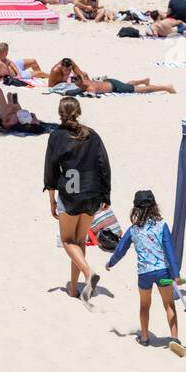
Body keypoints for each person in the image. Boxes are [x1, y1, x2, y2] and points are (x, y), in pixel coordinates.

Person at [43, 97, 111, 307]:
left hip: (70, 195)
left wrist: (52, 200)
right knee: (79, 241)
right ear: (78, 111)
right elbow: (104, 165)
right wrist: (106, 194)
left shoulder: (57, 136)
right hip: (92, 193)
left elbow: (51, 170)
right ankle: (73, 288)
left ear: (60, 113)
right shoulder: (91, 134)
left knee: (67, 241)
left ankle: (88, 272)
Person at [105, 190, 186, 353]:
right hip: (162, 271)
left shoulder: (133, 230)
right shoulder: (162, 225)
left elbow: (121, 249)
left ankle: (144, 337)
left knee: (144, 305)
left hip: (144, 274)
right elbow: (170, 251)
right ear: (154, 206)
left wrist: (111, 262)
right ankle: (174, 338)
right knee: (169, 304)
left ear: (135, 208)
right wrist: (176, 274)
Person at [68, 67, 176, 96]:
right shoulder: (84, 79)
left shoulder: (89, 87)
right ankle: (144, 80)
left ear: (81, 80)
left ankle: (167, 87)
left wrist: (81, 93)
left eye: (74, 79)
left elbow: (91, 93)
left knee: (142, 90)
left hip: (115, 87)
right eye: (72, 79)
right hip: (109, 82)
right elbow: (85, 74)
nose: (73, 81)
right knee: (126, 85)